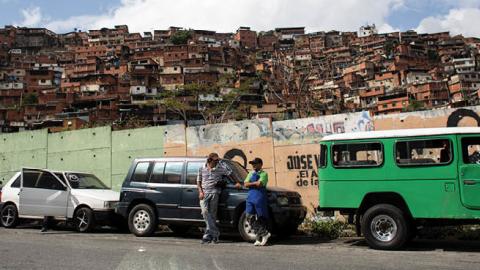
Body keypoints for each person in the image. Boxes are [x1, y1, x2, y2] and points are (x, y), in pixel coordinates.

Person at [197, 153, 239, 244]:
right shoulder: (201, 168)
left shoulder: (220, 168)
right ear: (209, 160)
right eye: (215, 160)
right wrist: (200, 191)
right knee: (204, 212)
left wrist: (237, 182)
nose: (217, 161)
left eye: (217, 160)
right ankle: (215, 232)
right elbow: (198, 181)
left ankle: (209, 236)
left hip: (215, 193)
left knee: (212, 215)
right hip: (204, 193)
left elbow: (231, 173)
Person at [244, 158, 271, 246]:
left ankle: (259, 239)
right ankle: (265, 234)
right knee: (249, 216)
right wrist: (254, 183)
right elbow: (245, 183)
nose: (253, 165)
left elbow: (260, 184)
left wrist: (251, 184)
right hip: (250, 197)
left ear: (260, 164)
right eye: (252, 164)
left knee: (261, 218)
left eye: (255, 163)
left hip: (259, 197)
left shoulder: (264, 174)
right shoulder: (251, 173)